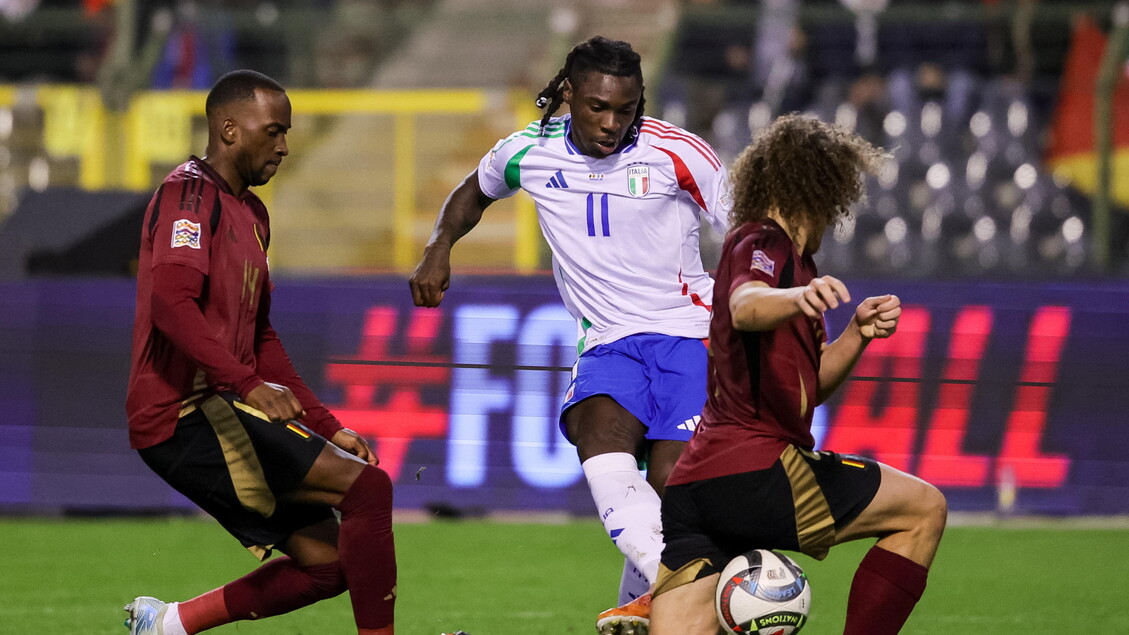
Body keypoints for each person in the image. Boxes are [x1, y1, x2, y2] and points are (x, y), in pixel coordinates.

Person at [409, 36, 730, 634]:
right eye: (597, 108)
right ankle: (684, 591)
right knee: (597, 438)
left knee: (671, 489)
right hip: (607, 341)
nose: (612, 124)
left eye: (626, 109)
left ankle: (655, 603)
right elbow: (472, 192)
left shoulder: (680, 154)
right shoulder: (527, 151)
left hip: (691, 337)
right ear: (568, 95)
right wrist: (438, 248)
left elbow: (745, 234)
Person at [650, 114, 947, 635]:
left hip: (695, 486)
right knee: (923, 509)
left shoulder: (793, 266)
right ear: (825, 189)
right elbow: (745, 303)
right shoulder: (765, 241)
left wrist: (855, 334)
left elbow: (810, 390)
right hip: (757, 472)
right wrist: (795, 297)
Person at [123, 69, 396, 635]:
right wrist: (247, 386)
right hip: (183, 413)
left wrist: (327, 425)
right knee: (369, 490)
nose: (284, 146)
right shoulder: (188, 197)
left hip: (216, 404)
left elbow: (260, 339)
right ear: (228, 129)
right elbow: (172, 307)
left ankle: (169, 624)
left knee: (331, 565)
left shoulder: (253, 213)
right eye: (272, 131)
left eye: (287, 133)